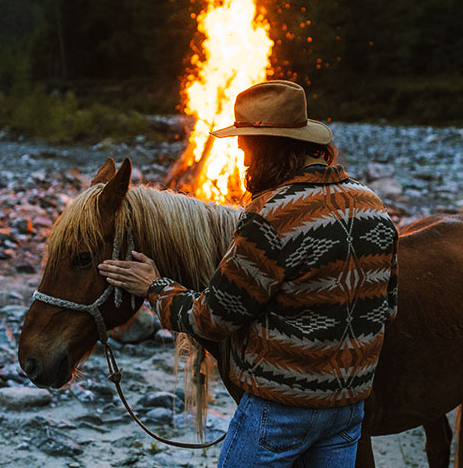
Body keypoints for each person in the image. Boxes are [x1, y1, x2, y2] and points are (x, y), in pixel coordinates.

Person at [100, 80, 398, 468]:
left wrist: (154, 287)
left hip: (280, 412)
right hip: (347, 410)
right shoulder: (373, 206)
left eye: (246, 150)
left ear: (270, 149)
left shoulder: (271, 218)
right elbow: (386, 308)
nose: (243, 162)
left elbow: (211, 319)